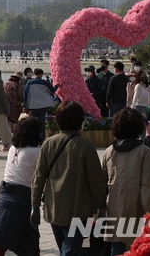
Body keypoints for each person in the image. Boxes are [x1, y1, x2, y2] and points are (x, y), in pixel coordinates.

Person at [31, 101, 106, 255]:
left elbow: (38, 177)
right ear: (81, 121)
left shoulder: (48, 143)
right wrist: (101, 205)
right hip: (79, 210)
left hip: (54, 209)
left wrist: (35, 205)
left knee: (66, 248)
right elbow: (96, 180)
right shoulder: (86, 146)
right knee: (71, 249)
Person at [0, 115, 42, 256]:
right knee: (22, 244)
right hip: (22, 201)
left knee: (2, 242)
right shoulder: (36, 153)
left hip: (6, 197)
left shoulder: (13, 148)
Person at [102, 108, 150, 256]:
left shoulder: (109, 151)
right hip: (137, 212)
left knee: (117, 249)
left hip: (113, 212)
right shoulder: (145, 152)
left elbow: (101, 187)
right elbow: (148, 190)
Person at [22, 68, 56, 139]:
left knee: (32, 123)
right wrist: (57, 85)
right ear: (42, 74)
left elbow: (25, 94)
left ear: (34, 73)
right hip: (42, 106)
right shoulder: (44, 82)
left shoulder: (29, 82)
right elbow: (52, 90)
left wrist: (25, 105)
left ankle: (32, 138)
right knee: (41, 123)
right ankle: (41, 139)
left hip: (32, 106)